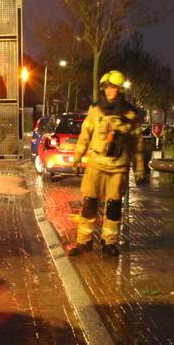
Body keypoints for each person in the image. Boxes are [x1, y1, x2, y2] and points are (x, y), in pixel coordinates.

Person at [69, 71, 146, 257]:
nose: (110, 91)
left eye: (113, 87)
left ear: (120, 89)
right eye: (107, 88)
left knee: (113, 207)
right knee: (89, 204)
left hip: (118, 168)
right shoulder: (95, 110)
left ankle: (109, 243)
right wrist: (77, 158)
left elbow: (137, 144)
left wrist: (140, 168)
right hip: (96, 164)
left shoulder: (130, 114)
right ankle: (84, 242)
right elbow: (85, 135)